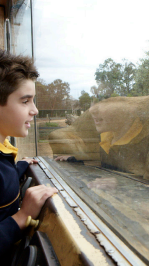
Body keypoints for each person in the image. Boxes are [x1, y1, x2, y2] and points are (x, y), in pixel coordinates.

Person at [0, 50, 58, 265]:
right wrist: (22, 217)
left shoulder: (3, 150)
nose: (35, 110)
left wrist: (20, 166)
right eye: (25, 101)